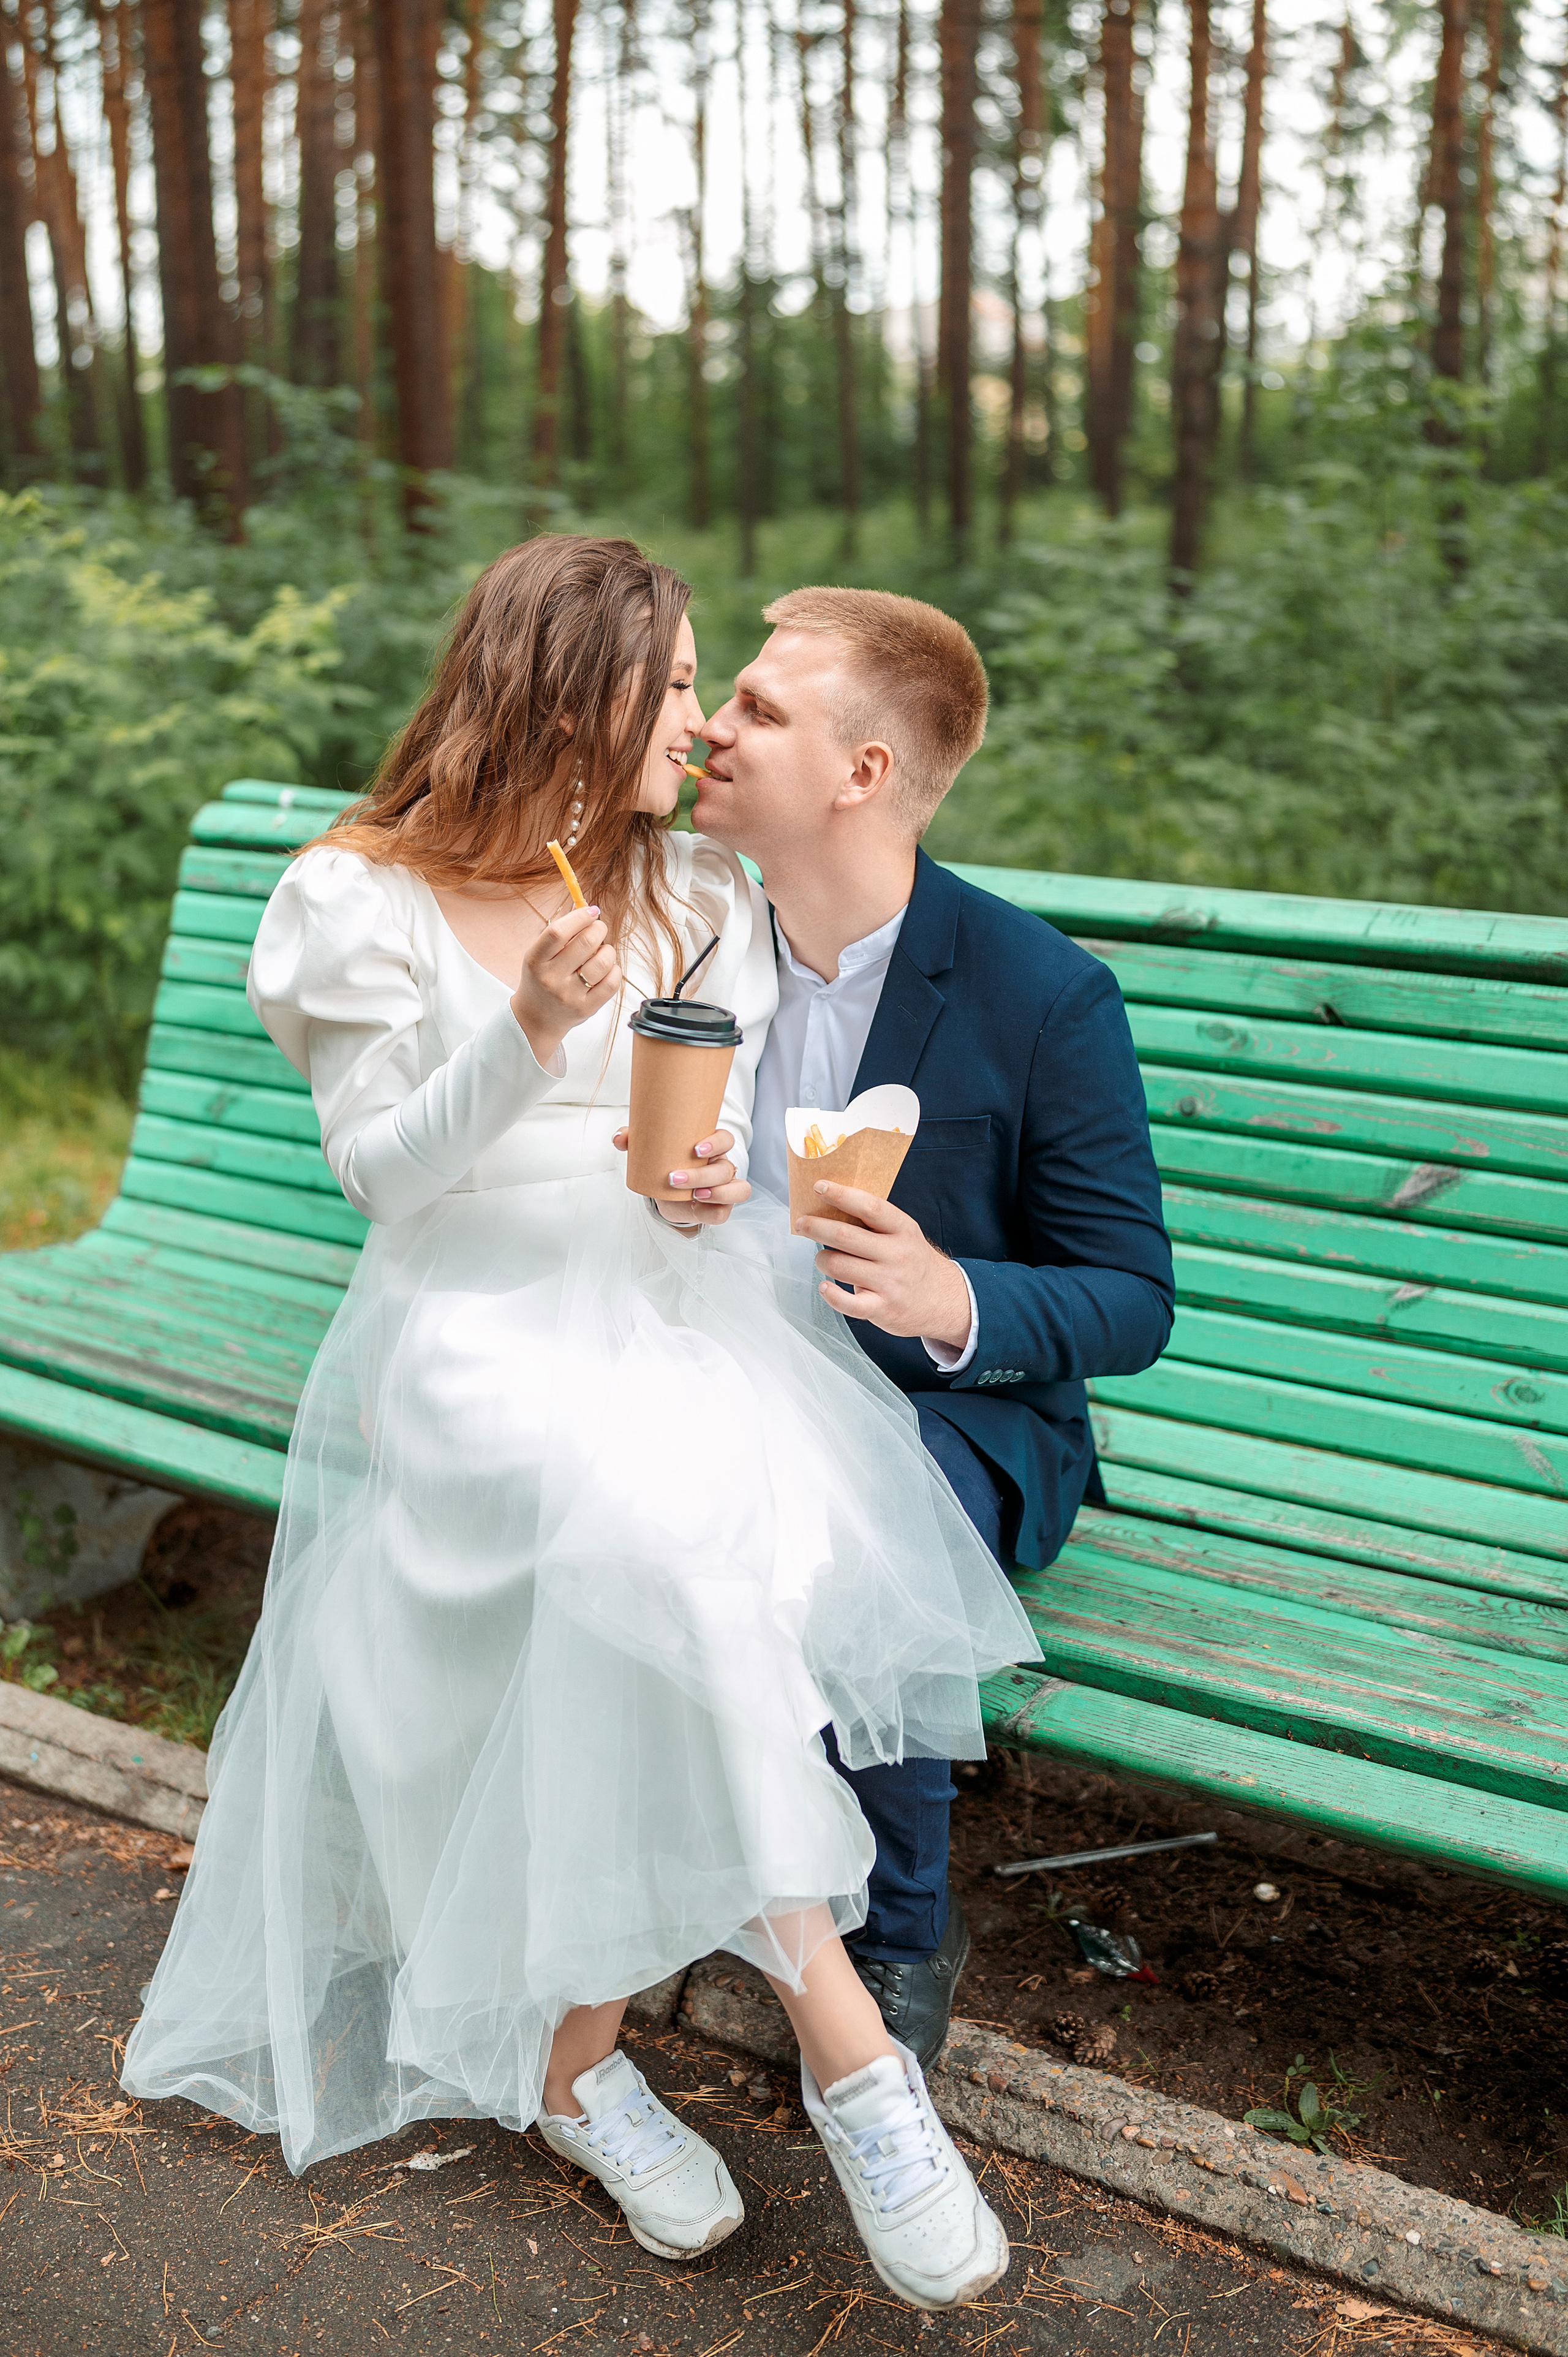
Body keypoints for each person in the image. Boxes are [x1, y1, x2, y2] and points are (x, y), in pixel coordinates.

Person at [121, 538, 1041, 2315]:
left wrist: (702, 1186)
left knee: (686, 1557)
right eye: (680, 684)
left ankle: (573, 2073)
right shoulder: (355, 897)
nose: (698, 727)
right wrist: (530, 1025)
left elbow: (695, 1151)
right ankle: (850, 2049)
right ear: (574, 693)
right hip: (469, 1336)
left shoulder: (695, 887)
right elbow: (389, 1182)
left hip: (669, 1312)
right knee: (670, 1552)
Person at [694, 587, 1174, 2067]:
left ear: (863, 774)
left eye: (760, 710)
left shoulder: (1040, 994)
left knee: (848, 1531)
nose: (711, 723)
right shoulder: (687, 930)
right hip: (713, 1365)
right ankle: (677, 1860)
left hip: (945, 1409)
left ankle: (900, 1925)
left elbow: (1130, 1297)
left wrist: (954, 1296)